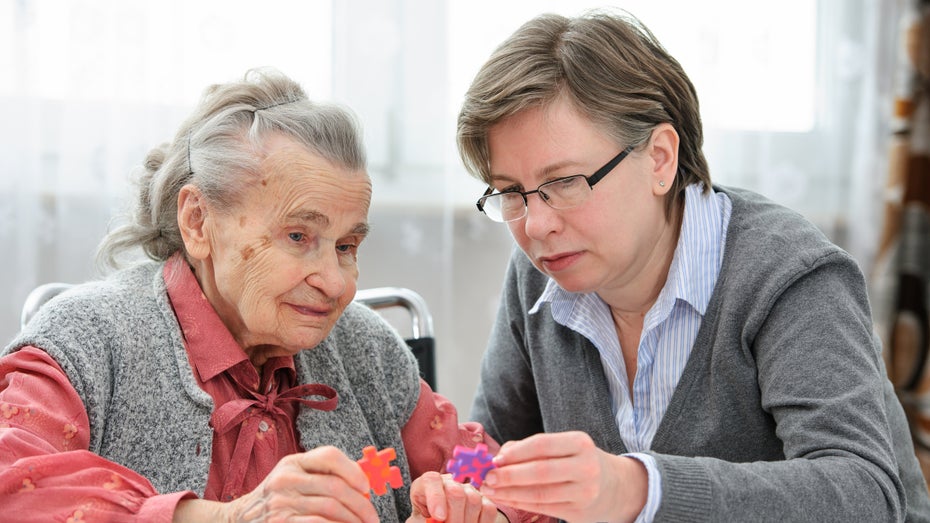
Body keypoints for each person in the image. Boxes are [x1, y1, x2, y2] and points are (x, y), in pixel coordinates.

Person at [446, 9, 930, 523]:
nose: (536, 225)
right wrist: (463, 490)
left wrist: (636, 488)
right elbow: (492, 449)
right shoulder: (539, 275)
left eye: (565, 181)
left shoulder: (790, 274)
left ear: (659, 158)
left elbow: (865, 493)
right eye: (510, 192)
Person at [0, 68, 537, 523]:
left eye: (347, 245)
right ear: (198, 222)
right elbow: (11, 477)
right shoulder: (89, 342)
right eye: (299, 237)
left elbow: (480, 467)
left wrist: (475, 503)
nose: (335, 282)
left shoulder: (367, 355)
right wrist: (225, 517)